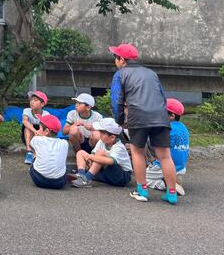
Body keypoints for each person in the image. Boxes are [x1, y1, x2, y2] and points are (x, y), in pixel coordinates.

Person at [110, 43, 179, 204]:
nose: (115, 61)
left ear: (122, 59)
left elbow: (116, 99)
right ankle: (172, 193)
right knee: (165, 155)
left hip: (138, 116)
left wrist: (119, 119)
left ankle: (142, 190)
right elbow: (162, 96)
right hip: (160, 117)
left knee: (137, 152)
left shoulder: (120, 74)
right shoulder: (151, 73)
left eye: (115, 57)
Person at [70, 118, 133, 188]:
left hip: (121, 177)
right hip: (107, 173)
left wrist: (92, 157)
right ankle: (81, 174)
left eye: (102, 133)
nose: (99, 134)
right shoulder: (101, 141)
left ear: (112, 137)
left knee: (100, 154)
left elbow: (110, 161)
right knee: (80, 152)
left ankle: (86, 179)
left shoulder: (119, 147)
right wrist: (91, 158)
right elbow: (93, 154)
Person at [146, 98, 188, 196]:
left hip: (165, 166)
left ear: (172, 116)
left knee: (142, 177)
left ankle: (166, 184)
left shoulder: (166, 129)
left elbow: (156, 146)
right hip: (181, 167)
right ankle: (174, 178)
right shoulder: (183, 128)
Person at [28, 114, 67, 189]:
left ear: (46, 131)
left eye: (39, 128)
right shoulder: (64, 143)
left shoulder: (37, 140)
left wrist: (36, 136)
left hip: (39, 180)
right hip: (59, 183)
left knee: (35, 154)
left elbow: (31, 147)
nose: (37, 130)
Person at [21, 90, 49, 164]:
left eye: (35, 100)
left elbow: (43, 127)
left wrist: (38, 132)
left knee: (45, 129)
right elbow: (25, 121)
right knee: (27, 128)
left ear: (42, 104)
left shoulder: (46, 114)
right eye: (31, 100)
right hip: (28, 136)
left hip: (40, 135)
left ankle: (37, 152)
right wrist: (34, 131)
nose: (32, 102)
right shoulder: (26, 110)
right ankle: (29, 151)